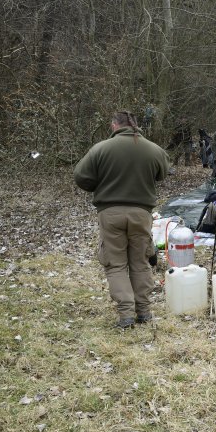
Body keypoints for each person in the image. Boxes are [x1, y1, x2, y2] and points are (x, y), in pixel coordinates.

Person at [73, 111, 170, 329]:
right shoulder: (153, 149)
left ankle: (126, 314)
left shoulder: (100, 148)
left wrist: (99, 185)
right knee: (140, 261)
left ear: (115, 125)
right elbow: (163, 172)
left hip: (110, 213)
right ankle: (144, 311)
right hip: (141, 213)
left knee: (115, 264)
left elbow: (80, 176)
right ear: (135, 126)